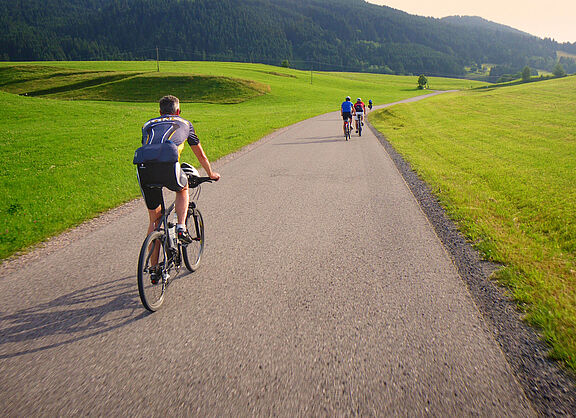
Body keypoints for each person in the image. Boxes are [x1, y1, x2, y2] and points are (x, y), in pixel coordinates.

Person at [134, 95, 220, 245]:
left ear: (160, 112)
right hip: (168, 166)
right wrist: (210, 174)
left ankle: (153, 267)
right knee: (182, 188)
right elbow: (201, 155)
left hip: (143, 168)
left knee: (155, 221)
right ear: (178, 111)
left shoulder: (147, 124)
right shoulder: (185, 123)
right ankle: (181, 227)